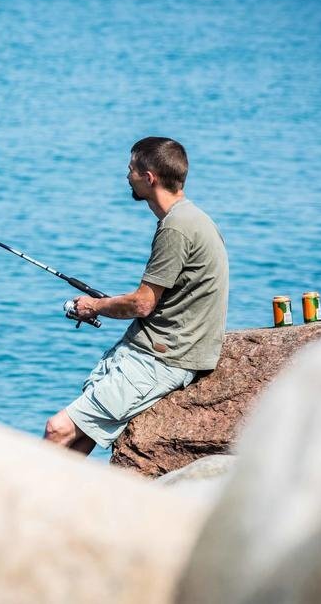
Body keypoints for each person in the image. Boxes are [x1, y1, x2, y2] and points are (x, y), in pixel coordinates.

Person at [45, 137, 229, 455]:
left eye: (131, 169)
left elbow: (143, 303)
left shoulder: (176, 228)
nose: (127, 175)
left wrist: (94, 306)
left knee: (57, 428)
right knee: (82, 433)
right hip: (152, 347)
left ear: (149, 177)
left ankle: (20, 488)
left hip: (163, 358)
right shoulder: (191, 218)